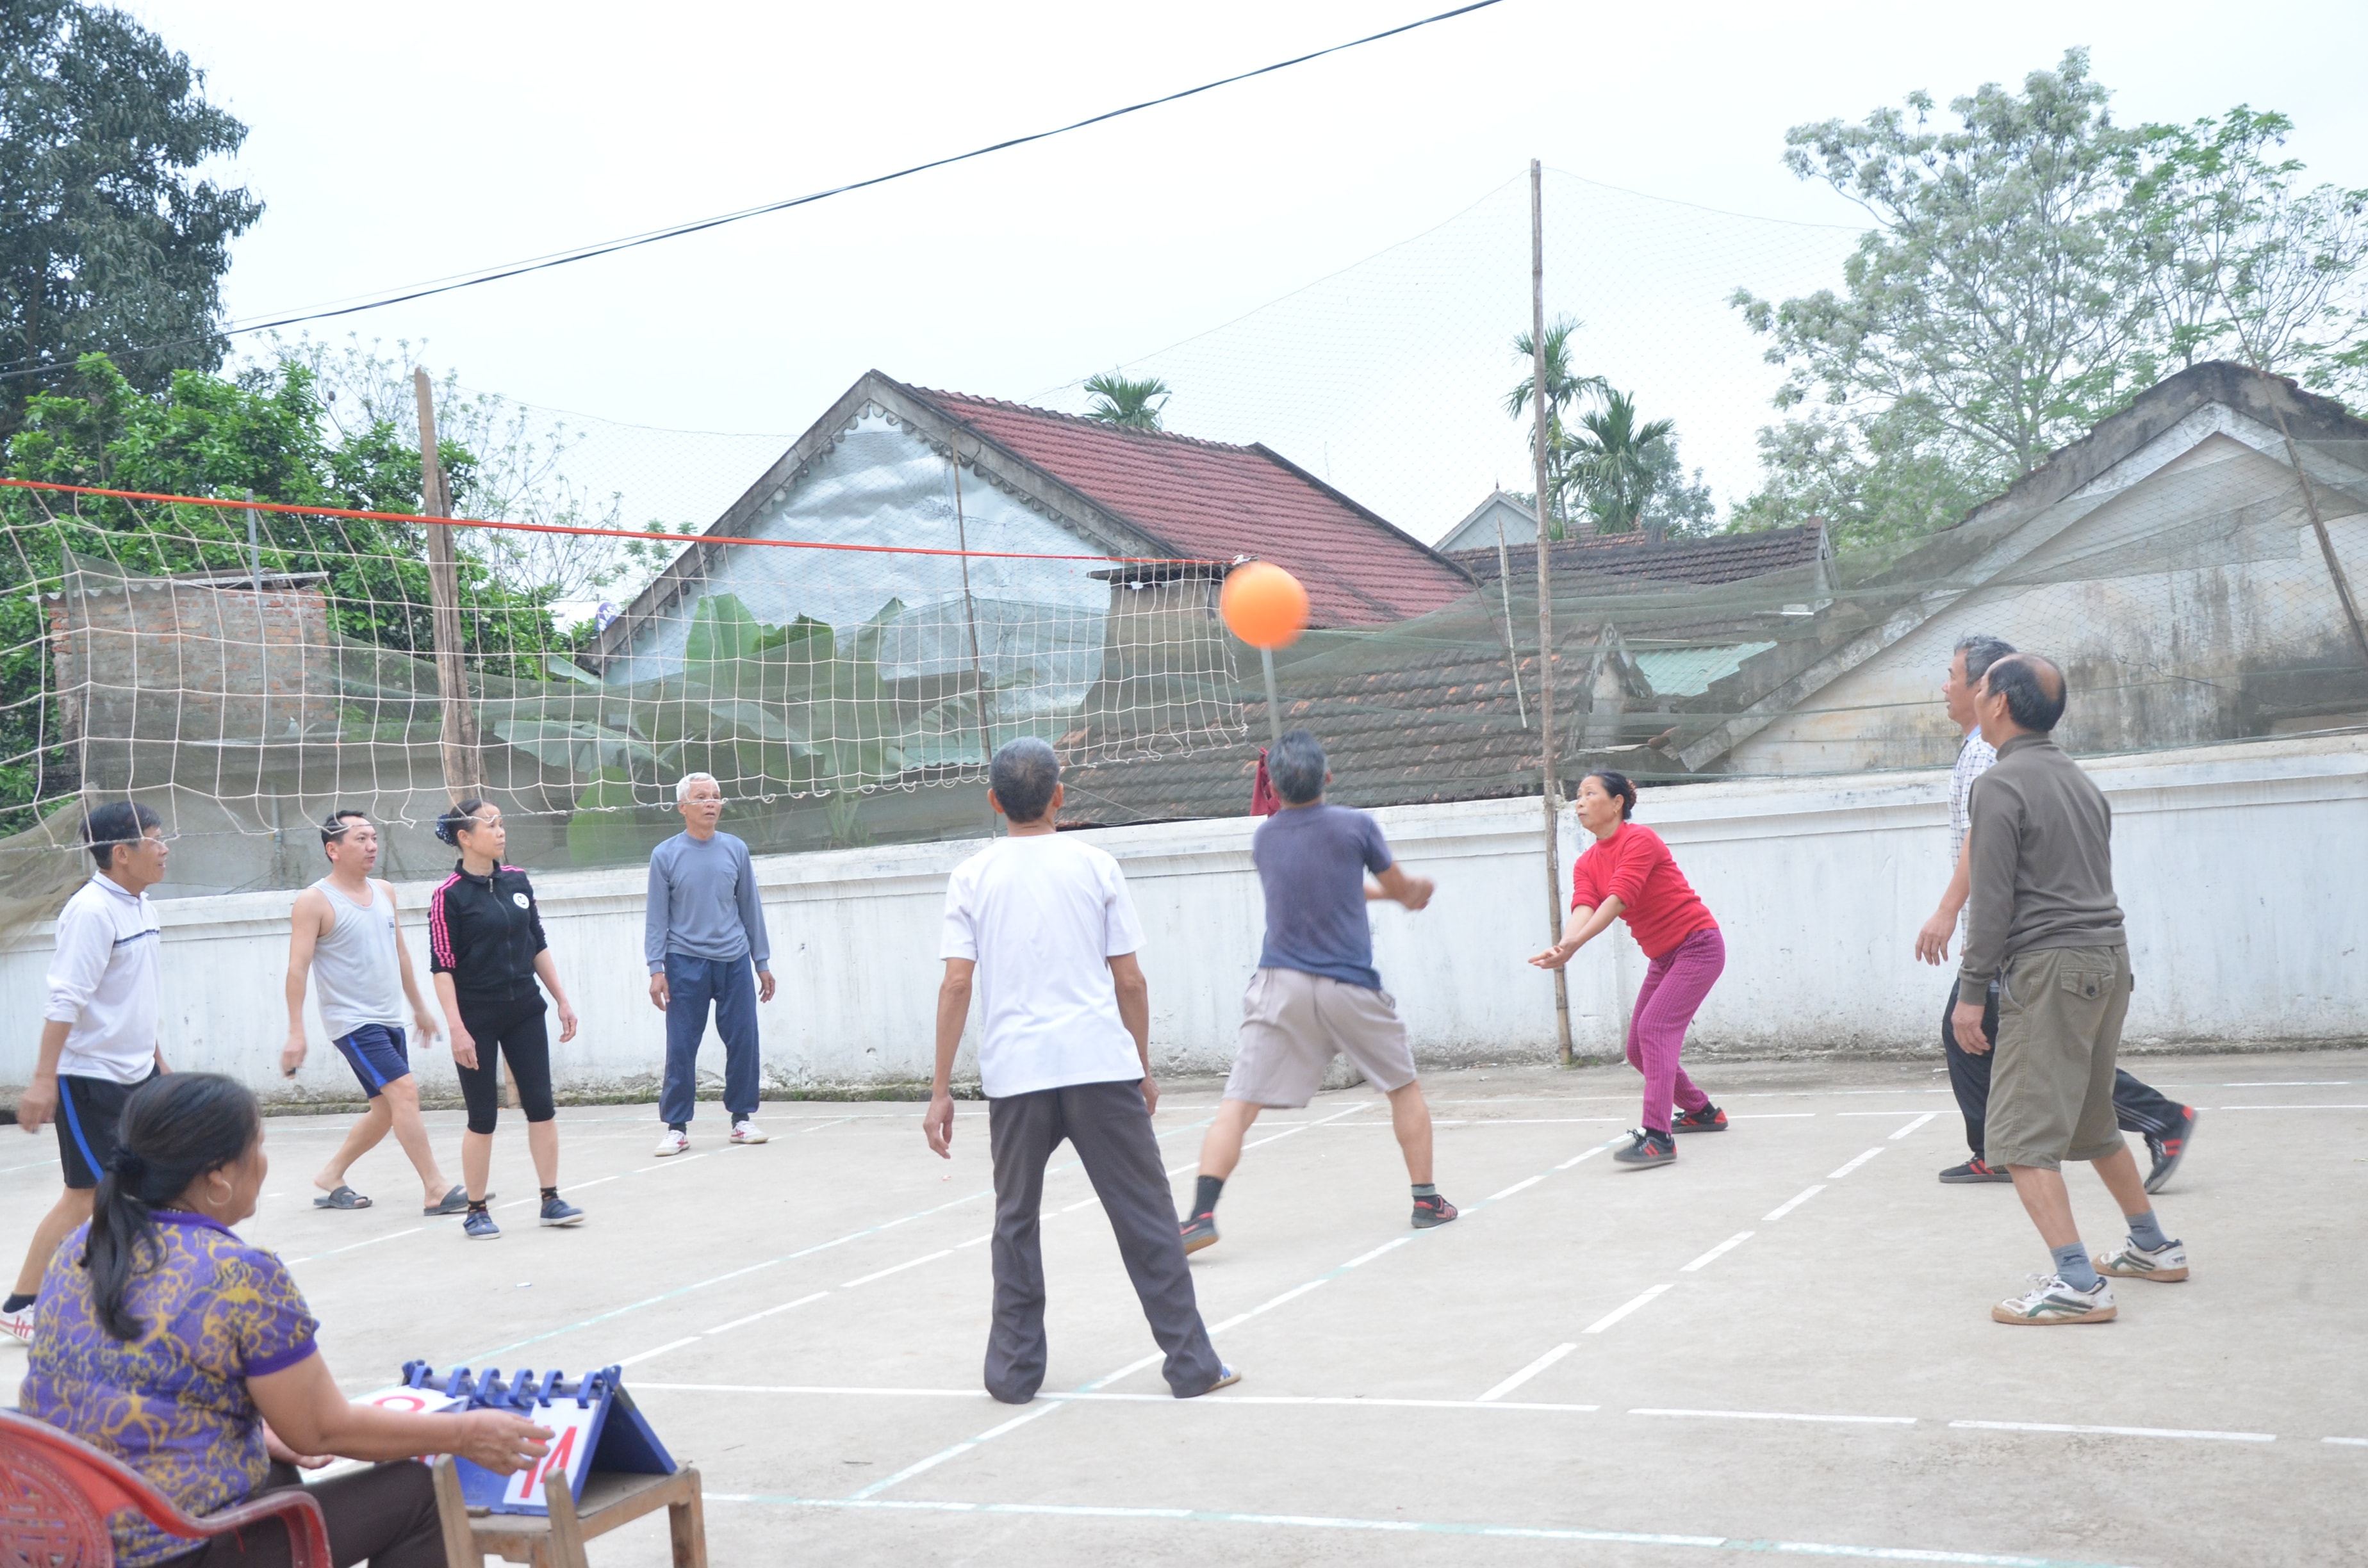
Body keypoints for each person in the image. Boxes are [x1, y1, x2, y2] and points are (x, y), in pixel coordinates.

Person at [19, 1072, 552, 1567]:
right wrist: (461, 1433)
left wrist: (254, 1429)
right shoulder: (239, 1275)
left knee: (276, 1470)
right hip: (168, 1548)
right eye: (259, 1146)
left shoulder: (78, 1248)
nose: (265, 1160)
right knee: (420, 1493)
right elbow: (322, 1429)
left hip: (68, 1537)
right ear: (218, 1180)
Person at [923, 738, 1237, 1405]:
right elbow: (1131, 981)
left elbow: (956, 986)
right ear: (1061, 796)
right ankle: (1193, 1364)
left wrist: (941, 1089)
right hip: (1100, 1066)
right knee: (1148, 1218)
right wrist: (1141, 1067)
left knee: (1015, 1224)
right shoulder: (1096, 865)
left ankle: (1012, 1375)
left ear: (993, 803)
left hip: (1017, 1076)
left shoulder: (971, 877)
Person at [1955, 654, 2189, 1325]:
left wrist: (1973, 990)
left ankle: (2079, 1285)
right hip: (2106, 961)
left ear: (1998, 704)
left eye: (1978, 685)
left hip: (2051, 968)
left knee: (2017, 1139)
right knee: (2093, 1120)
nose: (1971, 694)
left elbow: (1992, 899)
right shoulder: (2080, 780)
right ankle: (2152, 1247)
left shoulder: (2002, 784)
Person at [1914, 635, 2198, 1191]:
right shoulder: (2061, 770)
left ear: (1989, 692)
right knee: (2013, 1046)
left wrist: (1950, 914)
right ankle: (2004, 1151)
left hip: (2028, 945)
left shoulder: (1991, 760)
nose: (1946, 688)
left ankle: (2031, 1159)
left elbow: (1984, 843)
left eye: (1954, 676)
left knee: (2039, 1057)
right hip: (2068, 947)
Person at [1178, 728, 1454, 1254]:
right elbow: (1395, 888)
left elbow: (1325, 887)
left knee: (1237, 1105)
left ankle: (1199, 1216)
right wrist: (1414, 893)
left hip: (1279, 983)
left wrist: (1387, 896)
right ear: (1328, 776)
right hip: (1348, 984)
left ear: (1273, 789)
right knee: (1403, 1087)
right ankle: (1425, 1200)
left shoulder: (1266, 837)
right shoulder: (1356, 825)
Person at [5, 803, 172, 1346]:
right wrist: (42, 1080)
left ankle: (123, 1285)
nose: (164, 847)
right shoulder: (91, 912)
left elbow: (132, 999)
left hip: (137, 1071)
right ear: (121, 853)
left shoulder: (141, 906)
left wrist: (159, 1063)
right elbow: (67, 1000)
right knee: (86, 1194)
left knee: (151, 1183)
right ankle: (20, 1304)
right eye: (154, 839)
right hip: (90, 1077)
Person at [1530, 770, 1727, 1170]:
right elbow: (1584, 905)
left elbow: (1619, 898)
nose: (1579, 803)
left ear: (1617, 803)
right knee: (1638, 1049)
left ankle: (1657, 1137)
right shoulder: (1586, 862)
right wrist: (1565, 945)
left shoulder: (1640, 840)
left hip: (1698, 946)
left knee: (1655, 1029)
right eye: (1577, 796)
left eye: (1589, 793)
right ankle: (1702, 1111)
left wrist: (1574, 945)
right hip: (1664, 957)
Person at [280, 810, 467, 1216]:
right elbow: (298, 968)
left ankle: (331, 1176)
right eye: (360, 839)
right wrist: (297, 1031)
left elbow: (399, 951)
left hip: (389, 1017)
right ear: (333, 849)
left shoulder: (385, 891)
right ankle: (435, 1188)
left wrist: (419, 1007)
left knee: (385, 1109)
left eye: (373, 838)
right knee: (405, 1093)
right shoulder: (314, 901)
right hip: (352, 1022)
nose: (371, 846)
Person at [427, 800, 584, 1240]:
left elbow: (537, 942)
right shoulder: (448, 896)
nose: (501, 832)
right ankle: (476, 1210)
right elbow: (443, 967)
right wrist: (457, 1028)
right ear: (465, 837)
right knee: (483, 1116)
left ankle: (551, 1199)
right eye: (491, 825)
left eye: (502, 824)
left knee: (541, 1106)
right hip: (476, 1018)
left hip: (525, 1011)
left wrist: (562, 1001)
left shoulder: (517, 881)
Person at [646, 772, 776, 1156]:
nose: (711, 804)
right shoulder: (665, 855)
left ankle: (742, 1119)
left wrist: (761, 962)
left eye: (716, 797)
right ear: (682, 807)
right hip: (684, 962)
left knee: (744, 1040)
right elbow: (657, 918)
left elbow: (751, 907)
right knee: (683, 1045)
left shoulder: (736, 849)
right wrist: (657, 969)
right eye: (702, 797)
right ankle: (676, 1127)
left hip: (734, 960)